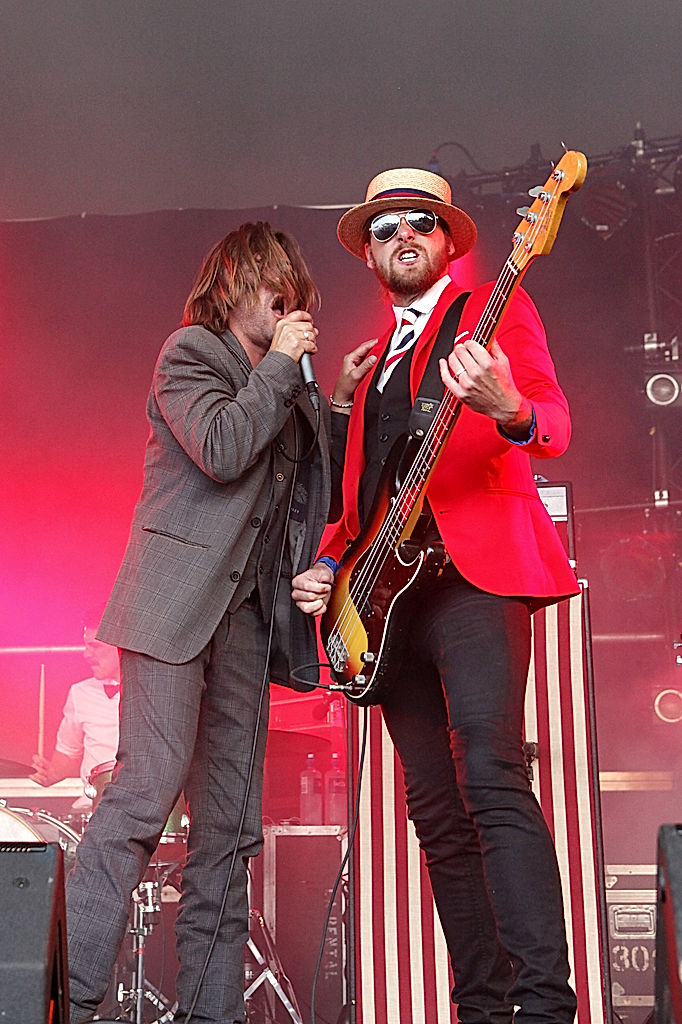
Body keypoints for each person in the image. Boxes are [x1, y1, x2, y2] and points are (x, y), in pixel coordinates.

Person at [292, 168, 581, 1024]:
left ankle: (541, 1008)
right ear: (371, 256)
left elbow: (555, 425)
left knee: (492, 776)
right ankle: (481, 1009)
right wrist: (326, 568)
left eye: (421, 222)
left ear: (448, 240)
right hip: (385, 606)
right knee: (437, 815)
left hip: (475, 576)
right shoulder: (372, 361)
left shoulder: (493, 306)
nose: (402, 236)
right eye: (385, 229)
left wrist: (509, 407)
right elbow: (358, 506)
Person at [65, 222, 340, 1024]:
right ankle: (67, 997)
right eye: (273, 286)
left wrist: (340, 400)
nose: (287, 301)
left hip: (248, 624)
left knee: (230, 830)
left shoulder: (284, 387)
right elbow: (221, 447)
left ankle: (212, 1014)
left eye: (296, 291)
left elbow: (309, 497)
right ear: (235, 284)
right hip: (172, 607)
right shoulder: (190, 352)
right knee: (143, 796)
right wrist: (284, 367)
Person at [30, 607, 120, 812]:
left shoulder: (154, 692)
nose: (86, 654)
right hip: (93, 808)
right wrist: (50, 773)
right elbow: (68, 755)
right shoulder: (81, 693)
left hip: (145, 808)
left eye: (94, 646)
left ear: (120, 645)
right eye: (85, 645)